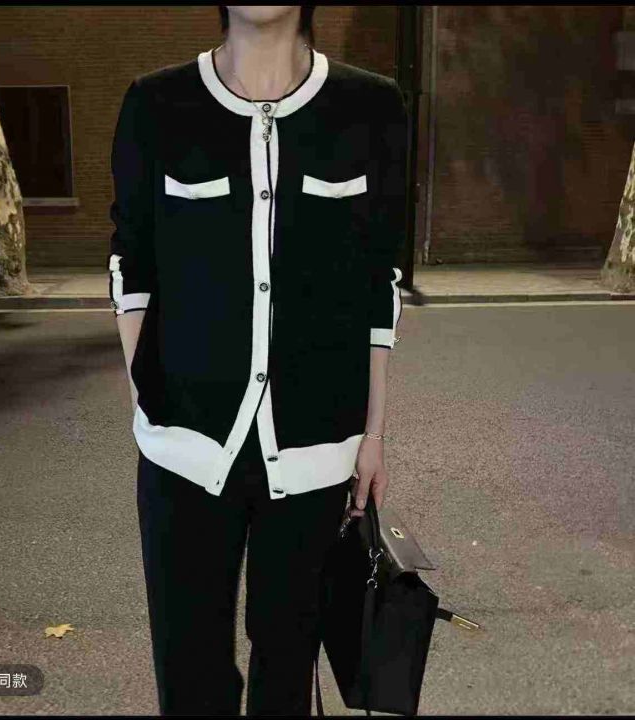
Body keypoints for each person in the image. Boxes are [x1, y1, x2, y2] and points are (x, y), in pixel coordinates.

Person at [107, 5, 407, 715]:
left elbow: (379, 282)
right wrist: (153, 401)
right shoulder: (156, 105)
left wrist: (372, 434)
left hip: (316, 452)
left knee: (287, 678)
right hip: (183, 453)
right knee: (190, 682)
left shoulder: (371, 108)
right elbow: (131, 265)